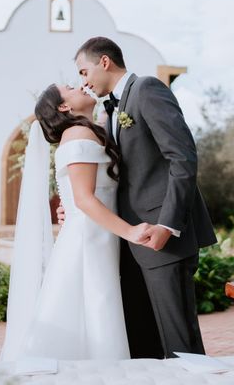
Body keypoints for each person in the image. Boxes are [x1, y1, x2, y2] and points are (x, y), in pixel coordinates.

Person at [60, 36, 218, 359]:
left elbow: (183, 159)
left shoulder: (146, 89)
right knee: (143, 345)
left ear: (104, 62)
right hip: (130, 244)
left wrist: (167, 225)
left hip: (163, 242)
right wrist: (72, 206)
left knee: (180, 346)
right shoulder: (108, 113)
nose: (83, 81)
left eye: (83, 71)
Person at [0, 83, 157, 361]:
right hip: (89, 240)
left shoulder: (90, 130)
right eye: (71, 88)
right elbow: (84, 200)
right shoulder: (77, 134)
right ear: (64, 107)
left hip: (95, 234)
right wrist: (131, 232)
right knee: (94, 309)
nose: (81, 85)